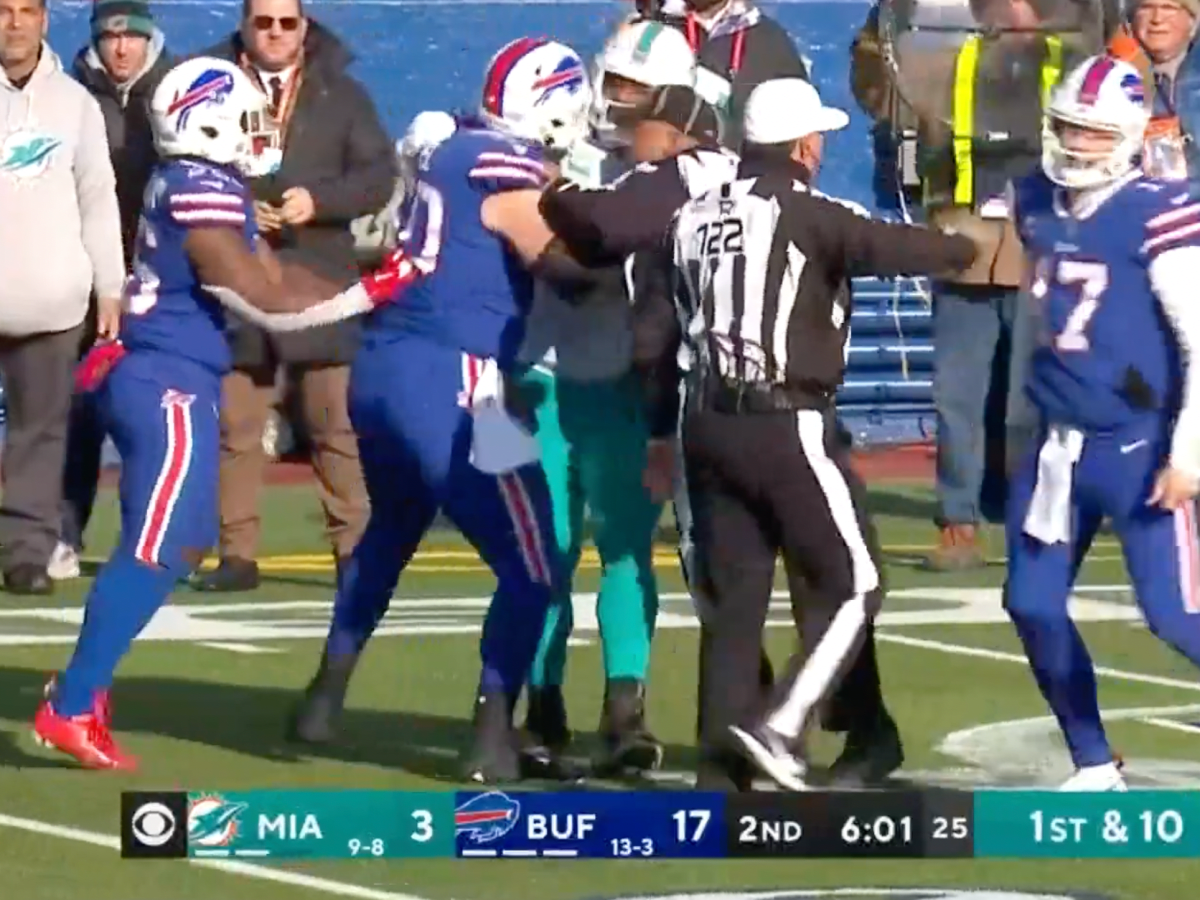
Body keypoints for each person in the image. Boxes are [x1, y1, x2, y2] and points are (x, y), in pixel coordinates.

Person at [32, 56, 409, 770]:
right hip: (165, 380)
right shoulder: (201, 189)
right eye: (243, 117)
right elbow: (264, 296)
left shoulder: (205, 184)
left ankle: (84, 684)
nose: (255, 130)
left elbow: (271, 279)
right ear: (204, 121)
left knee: (186, 538)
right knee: (159, 543)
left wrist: (357, 278)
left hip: (175, 374)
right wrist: (379, 288)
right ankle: (74, 702)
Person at [286, 38, 603, 784]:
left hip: (384, 368)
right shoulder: (508, 169)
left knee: (392, 533)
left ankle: (323, 699)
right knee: (533, 564)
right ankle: (492, 736)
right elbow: (556, 259)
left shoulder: (453, 149)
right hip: (457, 377)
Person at [661, 79, 977, 791]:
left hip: (704, 422)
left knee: (735, 599)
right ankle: (782, 725)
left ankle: (722, 767)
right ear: (806, 145)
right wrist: (966, 245)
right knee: (854, 578)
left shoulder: (693, 215)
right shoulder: (803, 208)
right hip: (784, 420)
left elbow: (670, 320)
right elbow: (887, 244)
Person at [1005, 55, 1200, 791]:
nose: (1076, 144)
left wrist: (1189, 453)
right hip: (1058, 442)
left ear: (1124, 135)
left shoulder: (1159, 209)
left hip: (1140, 444)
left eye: (1092, 132)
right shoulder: (1035, 199)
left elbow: (1198, 339)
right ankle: (1093, 760)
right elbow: (1042, 314)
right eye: (1066, 127)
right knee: (1029, 602)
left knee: (1178, 617)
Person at [514, 18, 697, 782]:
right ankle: (542, 706)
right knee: (542, 555)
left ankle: (626, 709)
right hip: (543, 376)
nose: (619, 102)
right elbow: (550, 256)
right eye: (613, 83)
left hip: (624, 381)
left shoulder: (675, 173)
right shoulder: (554, 146)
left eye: (637, 90)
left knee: (625, 552)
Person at [195, 0, 393, 592]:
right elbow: (175, 158)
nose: (275, 33)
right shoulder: (206, 84)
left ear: (304, 26)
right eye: (263, 22)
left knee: (332, 423)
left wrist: (321, 202)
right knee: (238, 423)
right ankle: (236, 555)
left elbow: (377, 176)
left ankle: (354, 551)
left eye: (287, 22)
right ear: (244, 26)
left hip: (319, 274)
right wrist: (231, 205)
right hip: (238, 273)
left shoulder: (342, 92)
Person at [0, 0, 124, 595]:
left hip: (52, 305)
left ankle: (26, 553)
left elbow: (98, 197)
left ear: (45, 20)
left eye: (27, 10)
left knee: (41, 436)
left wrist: (110, 285)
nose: (14, 22)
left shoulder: (76, 105)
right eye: (3, 10)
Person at [53, 0, 176, 582]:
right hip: (81, 285)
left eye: (131, 36)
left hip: (160, 288)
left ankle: (147, 543)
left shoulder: (179, 94)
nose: (121, 48)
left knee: (151, 420)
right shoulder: (69, 97)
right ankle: (62, 536)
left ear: (149, 39)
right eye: (110, 37)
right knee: (77, 416)